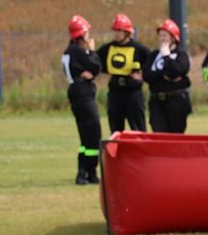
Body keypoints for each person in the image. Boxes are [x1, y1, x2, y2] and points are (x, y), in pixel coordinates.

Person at [60, 14, 103, 185]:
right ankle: (84, 171)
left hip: (77, 93)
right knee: (92, 133)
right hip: (83, 94)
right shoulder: (77, 51)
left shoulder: (70, 52)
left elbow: (91, 70)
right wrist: (92, 51)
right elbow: (96, 66)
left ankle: (89, 172)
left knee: (87, 137)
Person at [96, 13, 154, 135]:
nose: (116, 34)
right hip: (115, 93)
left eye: (119, 31)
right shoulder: (108, 48)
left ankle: (140, 153)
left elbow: (153, 63)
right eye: (115, 31)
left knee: (138, 129)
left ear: (127, 33)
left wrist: (143, 76)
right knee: (115, 131)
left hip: (133, 94)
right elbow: (94, 62)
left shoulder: (139, 49)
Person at [145, 18, 192, 133]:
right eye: (160, 36)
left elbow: (175, 71)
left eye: (165, 36)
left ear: (173, 38)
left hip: (176, 101)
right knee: (159, 135)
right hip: (156, 101)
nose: (161, 39)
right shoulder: (154, 55)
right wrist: (165, 76)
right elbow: (147, 76)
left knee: (175, 137)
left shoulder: (181, 55)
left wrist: (167, 57)